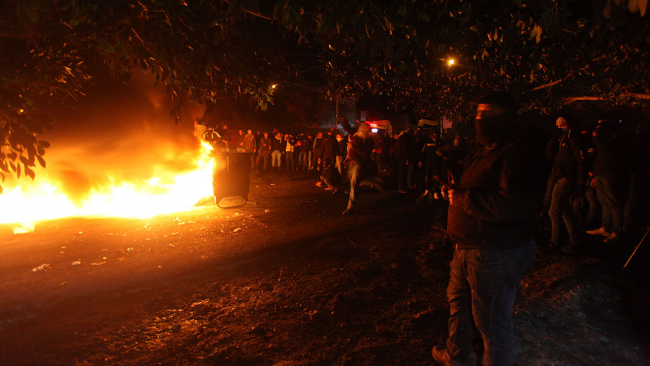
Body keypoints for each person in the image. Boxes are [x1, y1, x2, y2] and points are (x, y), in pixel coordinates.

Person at [432, 92, 539, 366]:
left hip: (493, 253)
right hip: (466, 248)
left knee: (492, 325)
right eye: (478, 113)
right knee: (458, 308)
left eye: (488, 113)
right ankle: (456, 356)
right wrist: (457, 187)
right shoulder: (483, 150)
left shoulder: (515, 154)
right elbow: (480, 187)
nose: (480, 119)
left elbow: (514, 204)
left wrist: (464, 199)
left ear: (505, 117)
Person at [547, 116, 586, 253]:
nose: (560, 127)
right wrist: (552, 140)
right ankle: (576, 241)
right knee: (564, 211)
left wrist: (580, 181)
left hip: (566, 177)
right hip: (559, 176)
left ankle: (554, 243)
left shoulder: (573, 140)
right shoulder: (561, 140)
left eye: (562, 125)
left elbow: (580, 161)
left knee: (554, 211)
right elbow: (549, 154)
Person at [587, 120, 624, 243]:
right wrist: (594, 175)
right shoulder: (603, 139)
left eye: (600, 126)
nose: (597, 128)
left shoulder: (615, 136)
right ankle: (606, 227)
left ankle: (616, 231)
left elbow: (605, 149)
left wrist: (597, 138)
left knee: (613, 202)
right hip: (600, 173)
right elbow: (598, 155)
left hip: (609, 172)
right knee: (603, 202)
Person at [343, 122, 382, 215]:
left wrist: (353, 147)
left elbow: (364, 154)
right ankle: (373, 181)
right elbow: (351, 148)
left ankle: (350, 207)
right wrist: (348, 157)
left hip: (359, 164)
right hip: (352, 163)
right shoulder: (357, 136)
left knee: (354, 183)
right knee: (352, 180)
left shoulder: (369, 140)